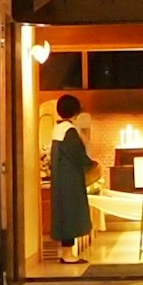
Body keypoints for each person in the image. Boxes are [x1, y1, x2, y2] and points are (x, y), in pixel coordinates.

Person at [45, 93, 96, 262]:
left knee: (62, 213)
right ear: (76, 111)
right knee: (71, 213)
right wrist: (93, 164)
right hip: (70, 180)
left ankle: (64, 252)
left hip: (60, 178)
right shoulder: (69, 131)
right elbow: (77, 154)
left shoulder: (57, 129)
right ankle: (67, 254)